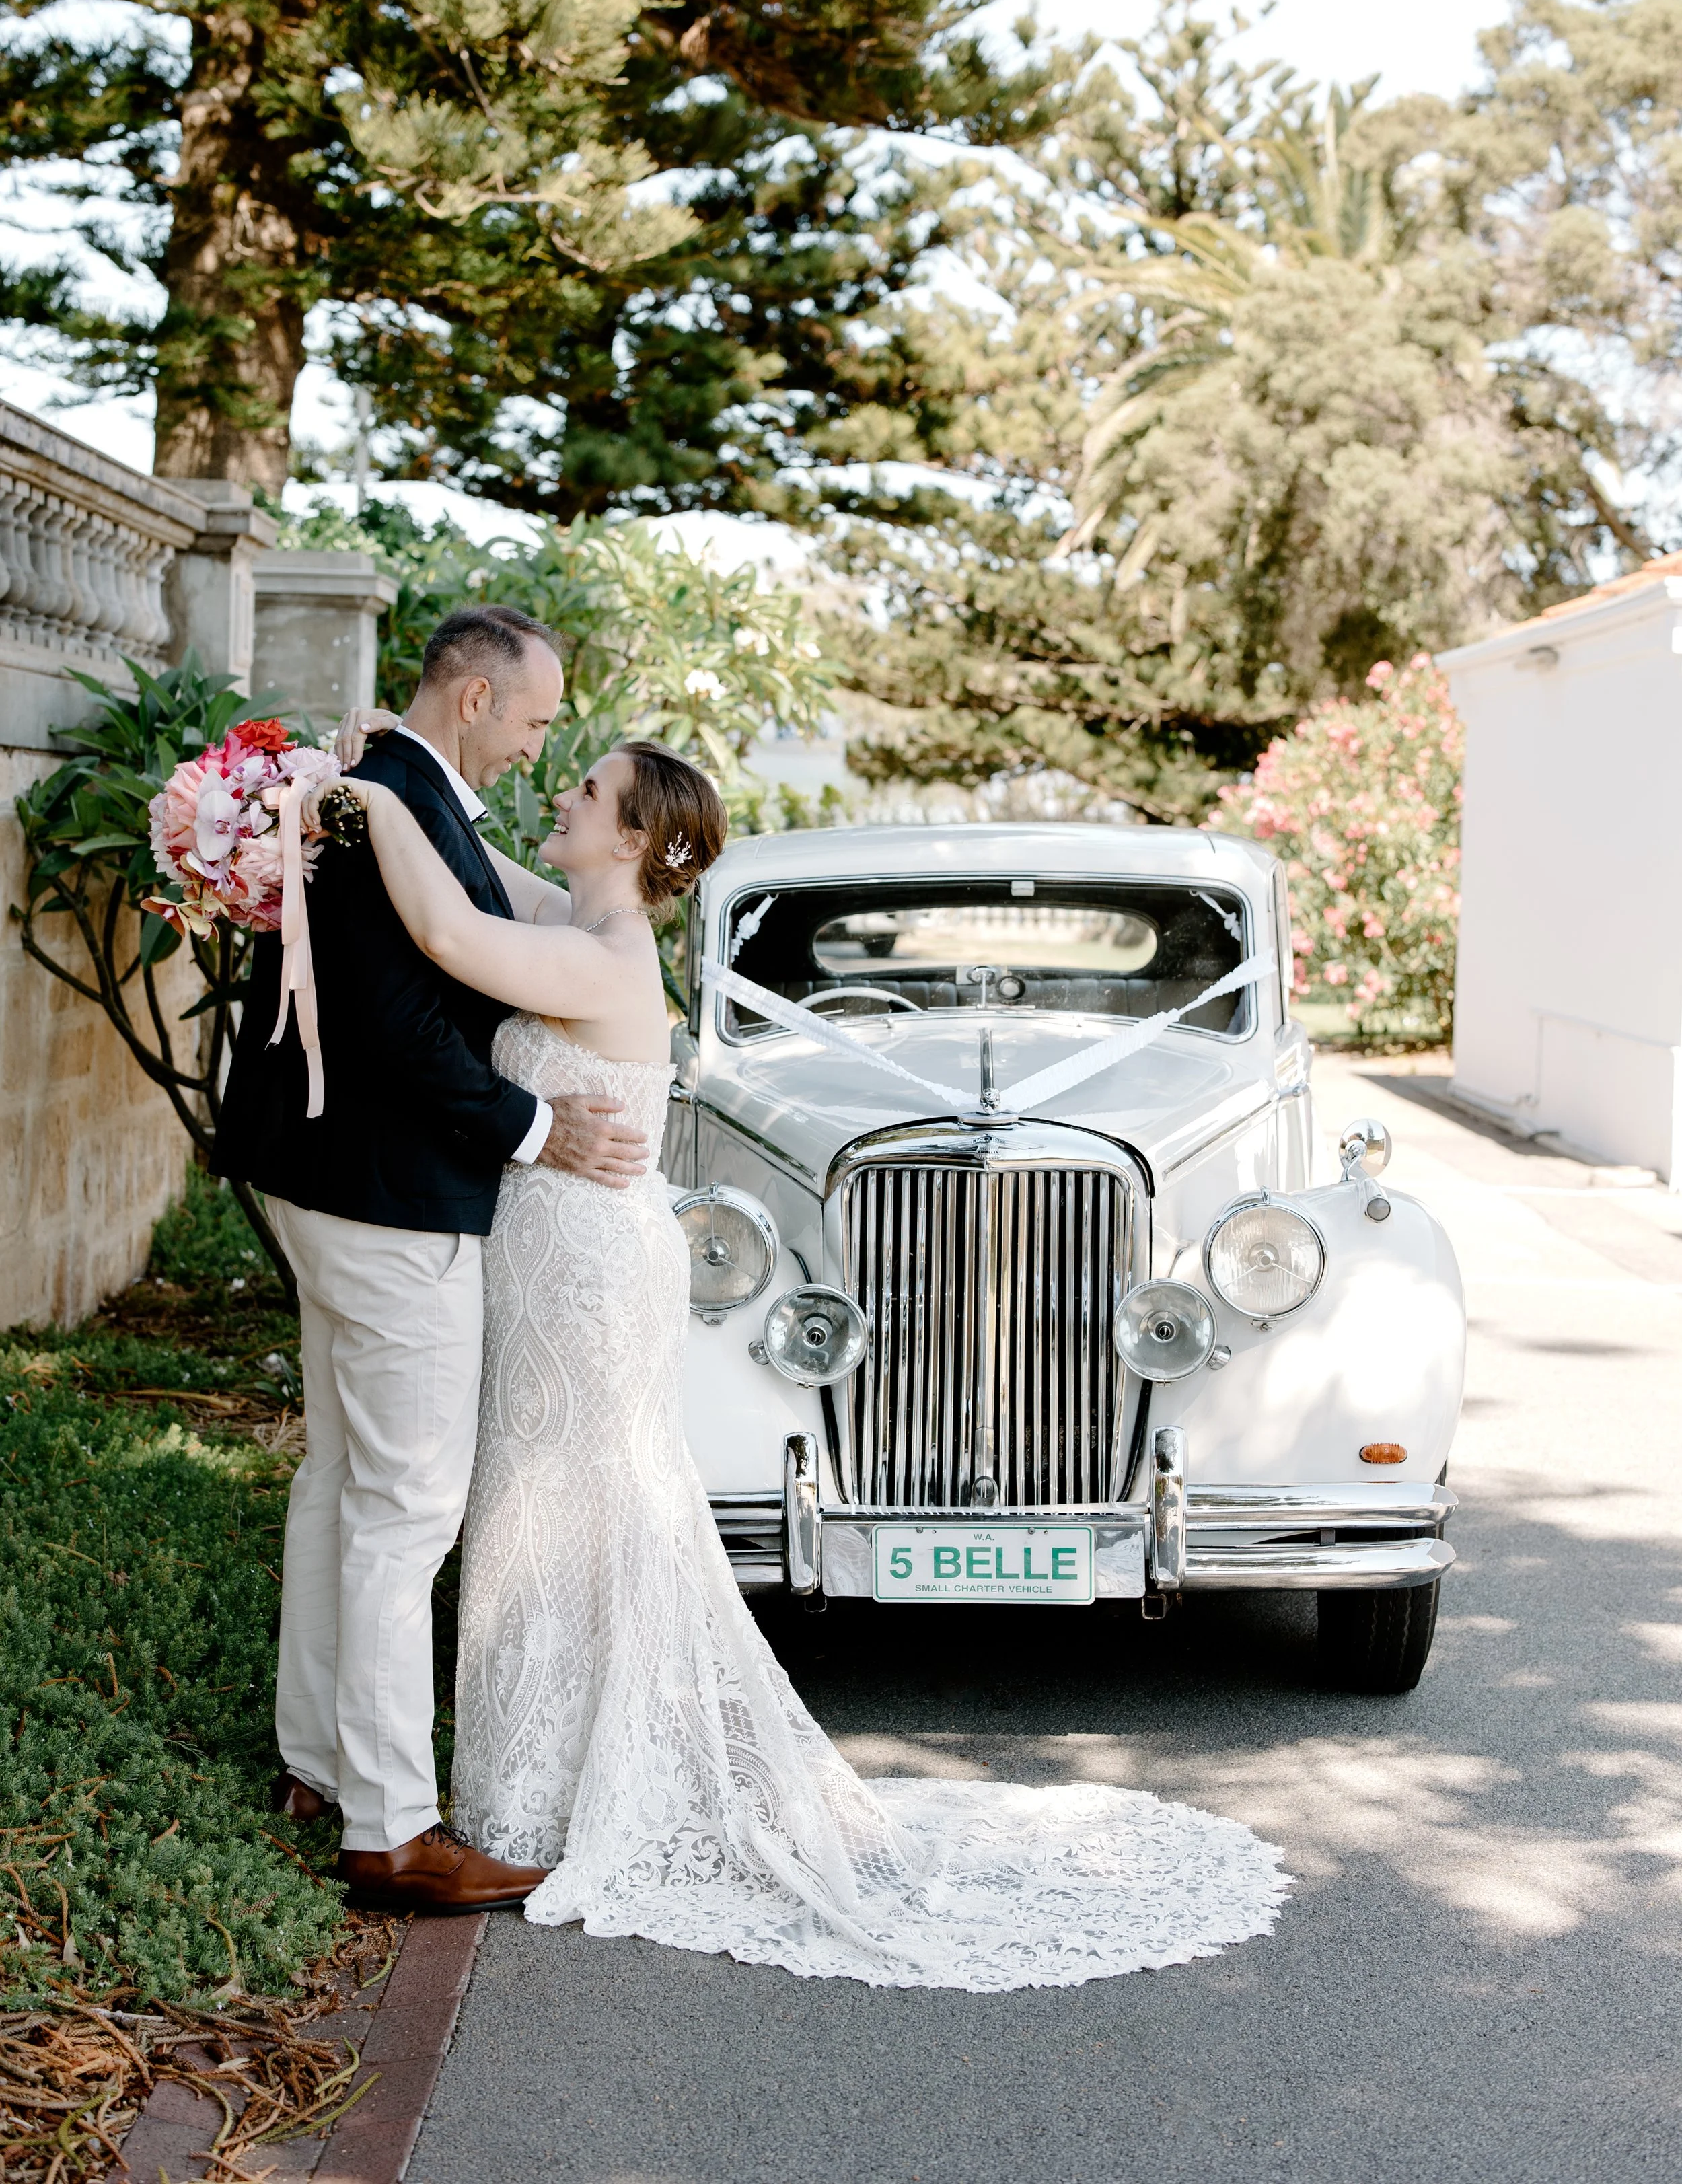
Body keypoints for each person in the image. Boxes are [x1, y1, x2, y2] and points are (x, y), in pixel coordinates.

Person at [306, 735, 1289, 1990]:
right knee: (549, 1505)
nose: (562, 795)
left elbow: (448, 932)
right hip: (560, 1262)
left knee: (582, 1500)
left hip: (590, 1276)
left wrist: (364, 797)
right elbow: (478, 865)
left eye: (588, 791)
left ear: (635, 838)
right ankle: (534, 1782)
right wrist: (400, 773)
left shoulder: (604, 960)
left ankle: (562, 1794)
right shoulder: (578, 911)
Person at [213, 606, 650, 1915]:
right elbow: (402, 1021)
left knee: (344, 1478)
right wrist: (531, 1128)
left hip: (334, 1183)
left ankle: (314, 1759)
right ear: (470, 698)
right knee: (406, 1509)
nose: (536, 746)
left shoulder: (396, 795)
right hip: (388, 1200)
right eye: (528, 719)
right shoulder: (379, 800)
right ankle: (391, 1827)